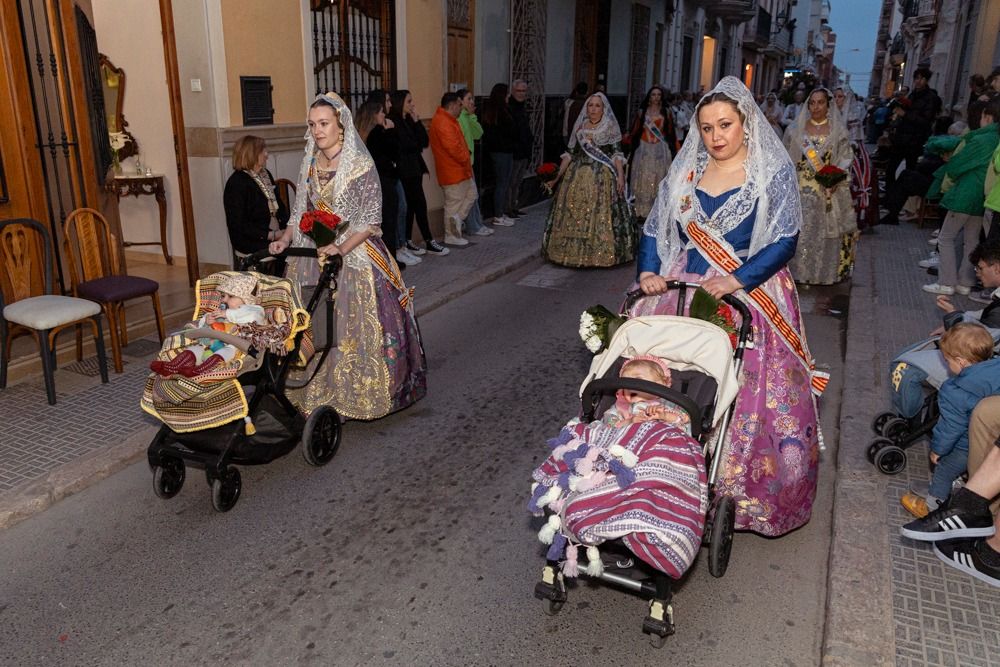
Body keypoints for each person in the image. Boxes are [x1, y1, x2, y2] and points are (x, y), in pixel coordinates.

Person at [634, 76, 822, 537]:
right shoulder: (686, 173)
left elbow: (784, 240)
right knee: (662, 371)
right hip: (683, 283)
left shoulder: (770, 176)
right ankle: (656, 466)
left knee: (749, 387)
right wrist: (646, 271)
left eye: (725, 125)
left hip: (748, 288)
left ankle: (737, 491)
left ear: (745, 125)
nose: (716, 136)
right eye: (706, 127)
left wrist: (736, 280)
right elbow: (656, 229)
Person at [268, 92, 426, 420]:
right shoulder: (310, 160)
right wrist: (285, 238)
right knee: (316, 323)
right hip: (313, 254)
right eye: (312, 125)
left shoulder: (359, 164)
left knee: (351, 327)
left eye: (323, 123)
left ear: (340, 125)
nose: (317, 131)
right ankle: (317, 390)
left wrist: (341, 248)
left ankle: (355, 393)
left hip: (354, 255)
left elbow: (371, 222)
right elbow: (301, 209)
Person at [899, 323, 1000, 517]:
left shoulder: (954, 390)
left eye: (947, 361)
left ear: (961, 361)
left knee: (944, 469)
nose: (946, 365)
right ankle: (962, 485)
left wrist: (938, 450)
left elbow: (950, 427)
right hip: (993, 441)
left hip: (966, 446)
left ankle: (932, 506)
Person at [541, 92, 635, 267]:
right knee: (573, 211)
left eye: (597, 105)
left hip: (602, 178)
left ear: (603, 108)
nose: (593, 109)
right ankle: (569, 253)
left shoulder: (609, 127)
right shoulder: (580, 128)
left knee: (599, 214)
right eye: (590, 105)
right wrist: (556, 178)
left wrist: (621, 177)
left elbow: (616, 154)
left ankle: (597, 254)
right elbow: (569, 155)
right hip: (576, 175)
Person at [922, 100, 1000, 296]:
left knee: (946, 237)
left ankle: (947, 282)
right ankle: (966, 281)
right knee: (972, 240)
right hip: (981, 196)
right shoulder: (995, 139)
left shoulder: (980, 139)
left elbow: (956, 165)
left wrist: (951, 161)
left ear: (987, 117)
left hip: (966, 192)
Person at [784, 88, 857, 285]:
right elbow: (787, 160)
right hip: (800, 187)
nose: (816, 107)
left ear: (828, 105)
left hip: (826, 187)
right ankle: (796, 272)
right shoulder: (795, 129)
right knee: (799, 230)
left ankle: (820, 272)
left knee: (824, 230)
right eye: (812, 103)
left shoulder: (838, 131)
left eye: (820, 102)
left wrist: (833, 179)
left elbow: (845, 157)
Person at [149, 273, 279, 378]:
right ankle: (172, 367)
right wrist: (207, 321)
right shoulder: (221, 312)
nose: (224, 300)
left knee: (225, 352)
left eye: (231, 296)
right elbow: (202, 328)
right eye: (223, 296)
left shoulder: (254, 310)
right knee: (194, 350)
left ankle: (199, 372)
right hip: (211, 345)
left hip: (237, 349)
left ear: (246, 299)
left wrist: (227, 314)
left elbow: (250, 317)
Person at [388, 90, 450, 258]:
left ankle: (410, 239)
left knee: (415, 205)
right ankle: (428, 240)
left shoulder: (408, 120)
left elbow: (423, 142)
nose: (412, 104)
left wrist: (416, 122)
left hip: (414, 168)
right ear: (400, 103)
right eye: (409, 101)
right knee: (415, 205)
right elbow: (406, 145)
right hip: (404, 171)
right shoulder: (393, 122)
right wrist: (413, 142)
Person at [224, 135, 289, 276]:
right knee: (286, 250)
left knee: (298, 243)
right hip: (250, 238)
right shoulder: (237, 183)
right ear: (251, 154)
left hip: (272, 230)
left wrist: (287, 229)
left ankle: (281, 284)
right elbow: (239, 224)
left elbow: (280, 207)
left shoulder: (265, 175)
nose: (267, 154)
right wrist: (272, 235)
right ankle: (275, 284)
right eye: (263, 151)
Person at [355, 101, 406, 267]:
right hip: (383, 183)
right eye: (381, 112)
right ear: (374, 115)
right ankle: (391, 262)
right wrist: (391, 131)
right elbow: (394, 152)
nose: (384, 115)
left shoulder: (359, 135)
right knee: (387, 224)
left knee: (375, 226)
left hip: (369, 186)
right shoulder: (378, 133)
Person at [429, 91, 474, 246]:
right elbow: (453, 148)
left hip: (461, 170)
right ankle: (452, 235)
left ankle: (456, 224)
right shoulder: (442, 121)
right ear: (453, 105)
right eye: (460, 105)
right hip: (452, 171)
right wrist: (466, 156)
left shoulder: (449, 119)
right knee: (453, 205)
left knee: (471, 195)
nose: (461, 108)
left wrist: (466, 158)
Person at [886, 67, 942, 190]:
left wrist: (905, 114)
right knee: (890, 168)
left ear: (926, 80)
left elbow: (925, 121)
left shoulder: (930, 98)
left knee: (910, 170)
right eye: (916, 78)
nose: (918, 81)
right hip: (901, 138)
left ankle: (902, 198)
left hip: (914, 141)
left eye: (922, 79)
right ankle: (890, 196)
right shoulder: (912, 95)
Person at [626, 85, 676, 221]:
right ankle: (641, 210)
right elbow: (635, 130)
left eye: (658, 95)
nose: (656, 97)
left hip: (660, 149)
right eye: (653, 94)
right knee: (643, 176)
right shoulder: (642, 112)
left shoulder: (667, 112)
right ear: (649, 96)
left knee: (658, 176)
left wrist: (673, 149)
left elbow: (670, 131)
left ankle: (656, 210)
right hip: (644, 148)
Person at [602, 356, 690, 430]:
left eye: (638, 379)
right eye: (626, 381)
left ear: (661, 384)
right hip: (627, 442)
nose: (630, 385)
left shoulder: (669, 402)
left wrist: (665, 416)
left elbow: (685, 421)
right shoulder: (621, 406)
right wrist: (630, 421)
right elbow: (609, 424)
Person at [836, 86, 879, 233]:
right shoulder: (831, 114)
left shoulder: (853, 115)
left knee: (856, 181)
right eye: (835, 96)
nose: (837, 100)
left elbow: (853, 138)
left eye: (840, 97)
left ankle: (854, 218)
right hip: (834, 152)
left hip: (852, 152)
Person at [455, 88, 494, 237]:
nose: (472, 102)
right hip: (463, 162)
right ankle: (473, 226)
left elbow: (479, 133)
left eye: (472, 99)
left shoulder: (466, 116)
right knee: (470, 196)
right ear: (460, 101)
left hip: (469, 161)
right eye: (469, 99)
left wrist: (472, 117)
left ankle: (477, 224)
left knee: (473, 194)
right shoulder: (458, 118)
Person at [481, 83, 517, 226]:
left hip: (501, 151)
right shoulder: (501, 112)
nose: (509, 96)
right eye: (507, 94)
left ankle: (500, 213)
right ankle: (498, 215)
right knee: (502, 183)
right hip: (502, 151)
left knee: (503, 182)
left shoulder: (492, 111)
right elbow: (508, 131)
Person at [508, 79, 534, 218]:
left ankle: (514, 206)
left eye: (524, 91)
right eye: (519, 90)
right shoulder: (510, 107)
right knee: (511, 181)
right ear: (513, 91)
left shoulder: (522, 107)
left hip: (523, 150)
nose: (521, 93)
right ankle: (509, 208)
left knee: (517, 181)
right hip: (515, 151)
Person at [563, 82, 589, 147]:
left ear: (576, 92)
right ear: (587, 92)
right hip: (583, 135)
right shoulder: (588, 105)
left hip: (568, 133)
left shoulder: (568, 103)